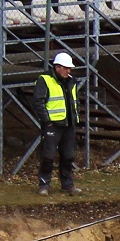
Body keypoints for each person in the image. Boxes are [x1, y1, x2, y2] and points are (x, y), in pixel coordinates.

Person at [37, 50, 82, 195]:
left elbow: (75, 101)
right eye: (66, 68)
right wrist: (47, 121)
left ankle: (67, 185)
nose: (69, 70)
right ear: (58, 67)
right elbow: (38, 102)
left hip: (69, 124)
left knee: (68, 156)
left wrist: (75, 117)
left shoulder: (71, 81)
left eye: (70, 68)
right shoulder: (45, 80)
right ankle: (44, 185)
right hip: (53, 125)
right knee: (48, 156)